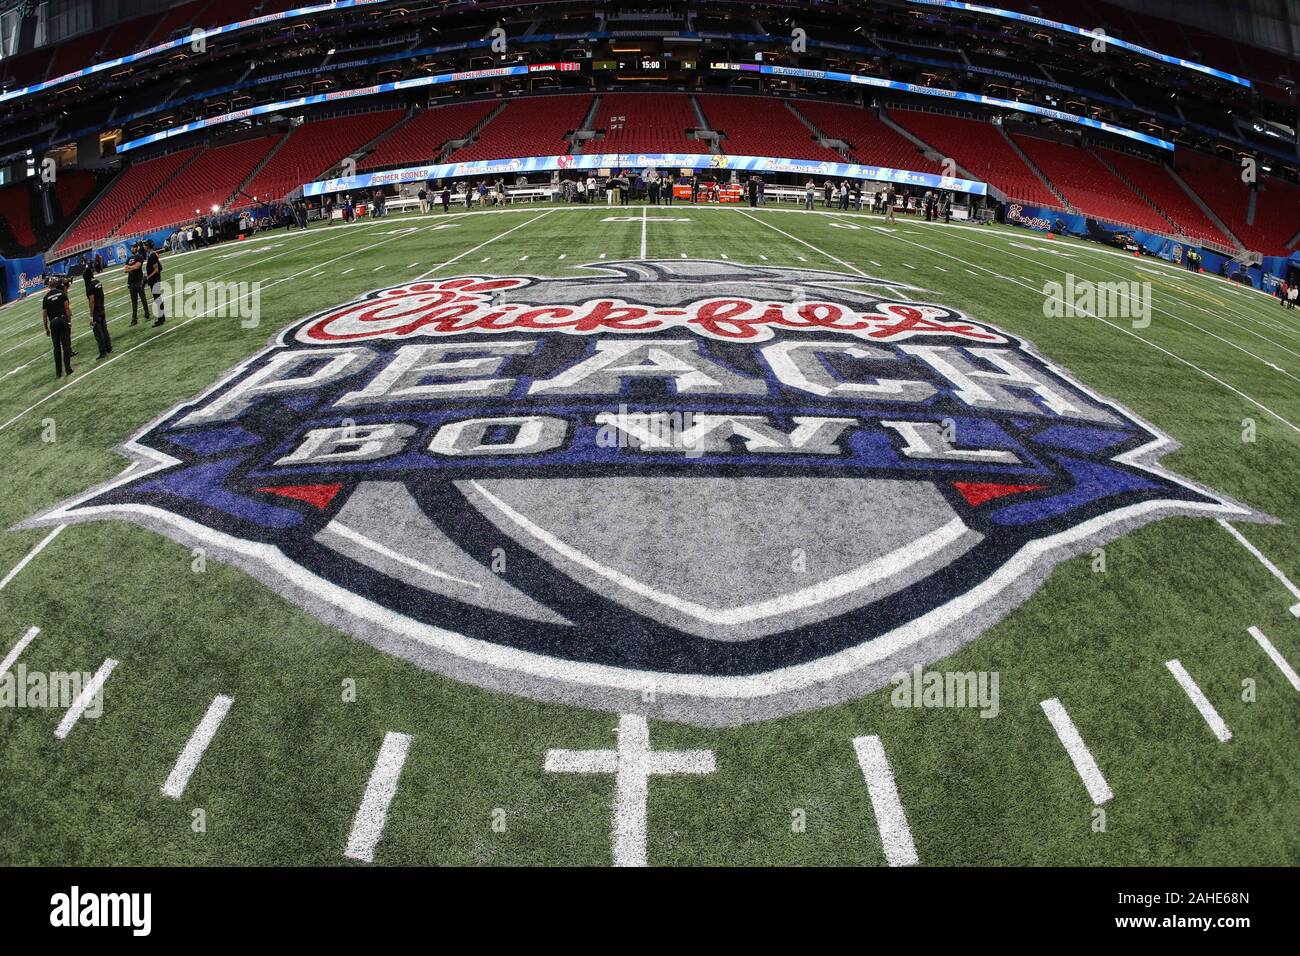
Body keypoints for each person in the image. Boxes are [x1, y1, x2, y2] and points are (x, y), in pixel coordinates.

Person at [42, 275, 74, 379]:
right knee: (66, 345)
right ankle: (68, 368)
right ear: (56, 284)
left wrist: (46, 328)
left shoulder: (46, 298)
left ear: (48, 286)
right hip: (63, 319)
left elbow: (44, 315)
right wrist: (69, 321)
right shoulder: (61, 293)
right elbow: (67, 309)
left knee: (56, 348)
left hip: (54, 323)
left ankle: (58, 373)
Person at [84, 264, 111, 360]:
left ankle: (103, 352)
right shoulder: (98, 282)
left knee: (98, 333)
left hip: (96, 311)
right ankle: (109, 348)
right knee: (104, 330)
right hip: (101, 308)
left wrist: (91, 316)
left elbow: (92, 301)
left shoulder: (90, 286)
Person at [124, 241, 151, 326]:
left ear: (137, 248)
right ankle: (134, 319)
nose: (132, 248)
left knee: (143, 299)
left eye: (134, 247)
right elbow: (125, 270)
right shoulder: (129, 258)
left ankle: (147, 313)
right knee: (134, 302)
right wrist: (132, 267)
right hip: (131, 282)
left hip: (139, 281)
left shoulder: (139, 256)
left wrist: (130, 267)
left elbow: (138, 266)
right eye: (132, 247)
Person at [144, 240, 166, 327]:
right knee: (157, 299)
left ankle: (161, 318)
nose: (144, 247)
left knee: (157, 299)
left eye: (145, 246)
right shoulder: (151, 254)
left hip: (155, 280)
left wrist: (148, 277)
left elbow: (156, 269)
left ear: (148, 246)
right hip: (154, 280)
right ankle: (161, 318)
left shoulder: (152, 255)